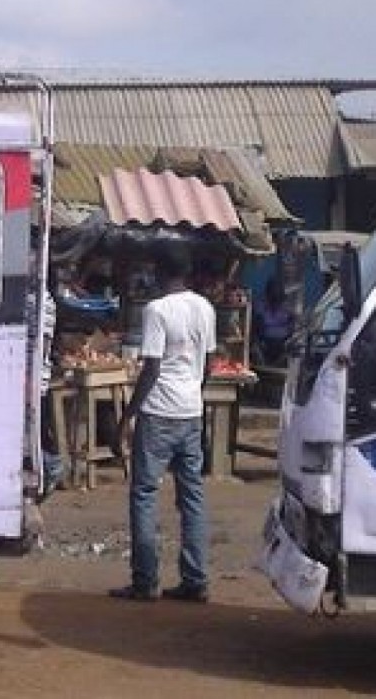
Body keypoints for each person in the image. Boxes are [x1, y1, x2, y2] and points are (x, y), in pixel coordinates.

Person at [112, 245, 216, 603]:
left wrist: (128, 416)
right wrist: (195, 392)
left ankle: (145, 580)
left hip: (158, 413)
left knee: (144, 494)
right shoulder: (205, 308)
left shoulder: (157, 310)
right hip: (191, 412)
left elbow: (152, 367)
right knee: (193, 498)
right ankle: (196, 578)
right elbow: (210, 361)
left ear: (158, 273)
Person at [253, 278, 294, 365]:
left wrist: (289, 337)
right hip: (265, 343)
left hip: (284, 343)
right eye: (274, 296)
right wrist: (261, 341)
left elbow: (291, 326)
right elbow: (257, 327)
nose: (276, 301)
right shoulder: (260, 305)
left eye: (278, 297)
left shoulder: (287, 307)